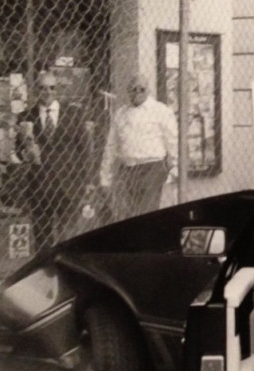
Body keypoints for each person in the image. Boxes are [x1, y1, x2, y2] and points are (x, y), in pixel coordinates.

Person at [19, 71, 89, 246]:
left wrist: (87, 181)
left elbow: (85, 150)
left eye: (52, 87)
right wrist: (26, 153)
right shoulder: (26, 117)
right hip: (40, 187)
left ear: (58, 90)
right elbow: (18, 150)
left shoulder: (73, 114)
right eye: (43, 88)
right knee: (42, 241)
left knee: (70, 239)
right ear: (36, 91)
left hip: (69, 187)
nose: (48, 92)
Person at [99, 74, 178, 219]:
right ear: (127, 91)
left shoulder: (160, 111)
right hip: (127, 170)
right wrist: (105, 177)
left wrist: (173, 167)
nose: (137, 93)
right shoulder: (120, 114)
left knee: (146, 214)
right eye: (133, 89)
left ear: (148, 90)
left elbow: (173, 141)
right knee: (126, 214)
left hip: (151, 169)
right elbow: (110, 147)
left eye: (141, 89)